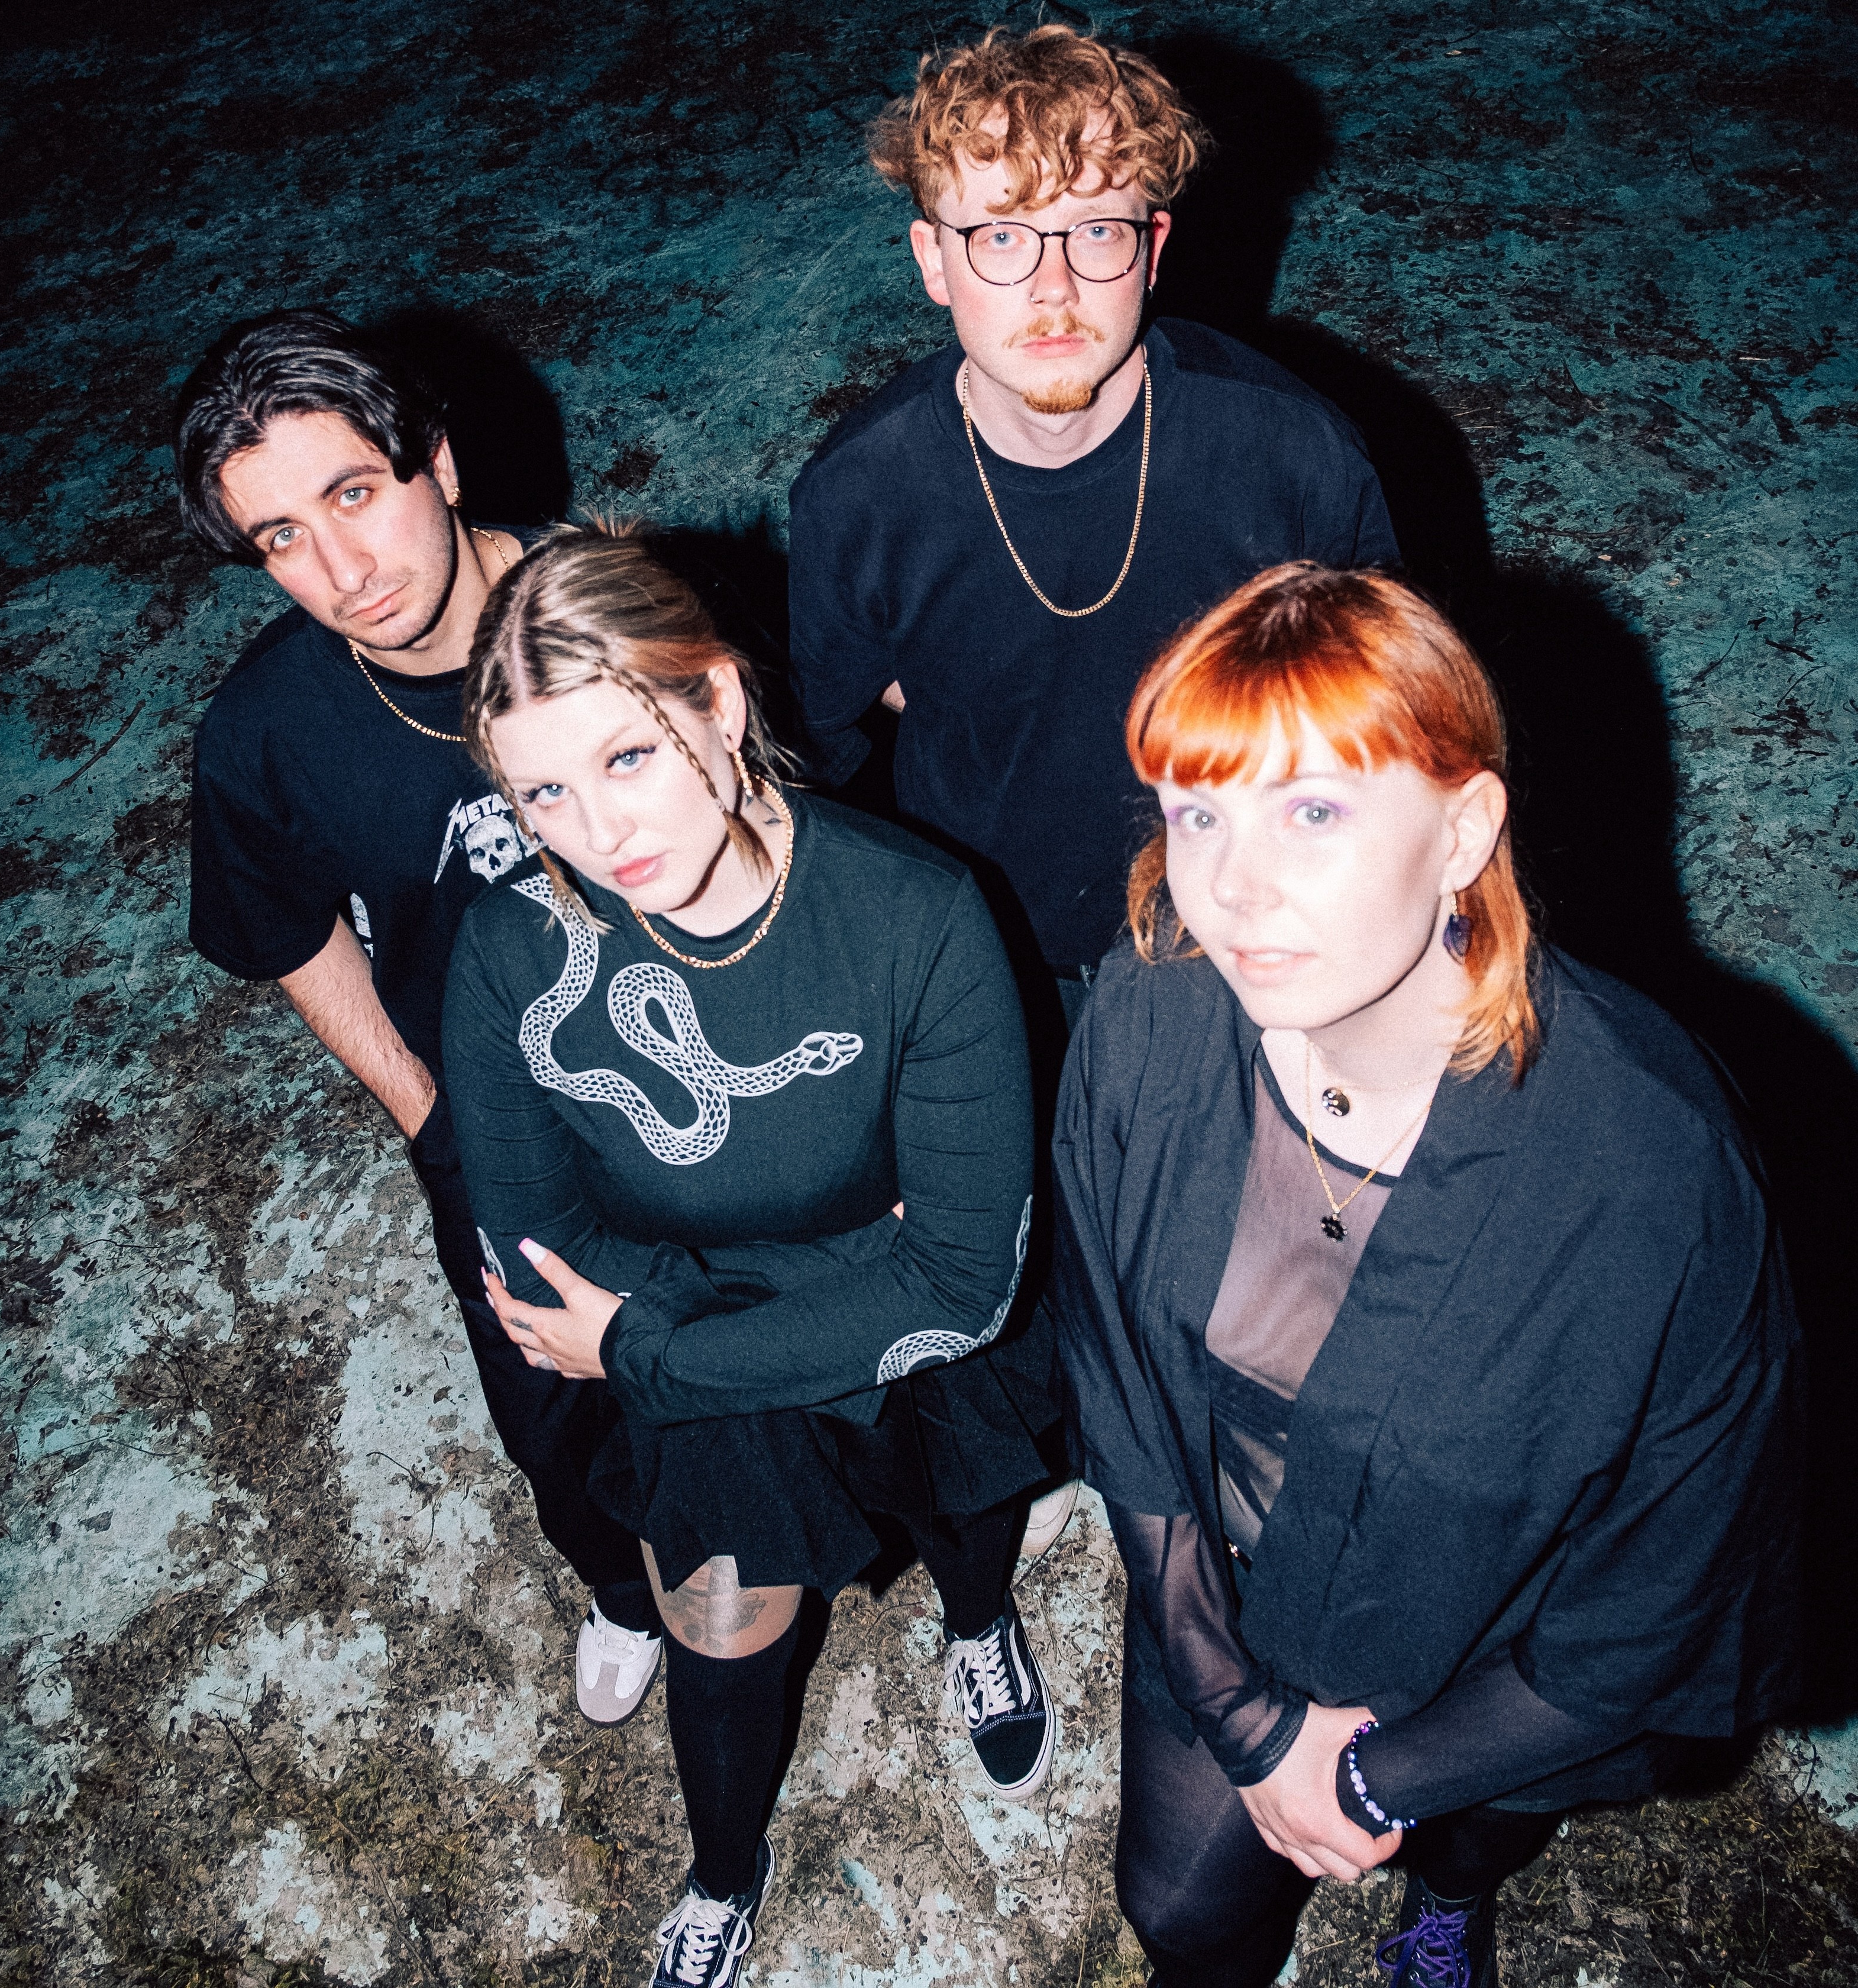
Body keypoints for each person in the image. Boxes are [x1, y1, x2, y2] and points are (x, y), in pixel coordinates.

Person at [1052, 563, 1800, 1987]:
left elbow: (1660, 1584)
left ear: (1463, 831)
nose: (1233, 887)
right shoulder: (1150, 1012)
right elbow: (1120, 1379)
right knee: (1181, 1911)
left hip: (1487, 1653)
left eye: (1313, 812)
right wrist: (1241, 1713)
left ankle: (1451, 1900)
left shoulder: (1653, 1171)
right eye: (1198, 813)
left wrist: (1372, 1782)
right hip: (1230, 1590)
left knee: (1474, 1836)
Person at [442, 524, 1059, 1988]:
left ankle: (980, 1623)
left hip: (727, 1324)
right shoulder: (513, 952)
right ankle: (727, 1867)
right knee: (720, 1616)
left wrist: (649, 1340)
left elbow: (962, 1285)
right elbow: (536, 1254)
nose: (599, 832)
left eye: (626, 757)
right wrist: (814, 1286)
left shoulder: (917, 916)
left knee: (962, 1491)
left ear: (718, 703)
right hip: (724, 1321)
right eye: (542, 792)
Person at [176, 310, 667, 1726]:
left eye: (353, 493)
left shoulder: (618, 613)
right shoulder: (266, 731)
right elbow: (281, 930)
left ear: (437, 464)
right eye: (280, 537)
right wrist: (425, 1107)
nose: (340, 571)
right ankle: (623, 1588)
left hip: (707, 1063)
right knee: (553, 1411)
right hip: (497, 1121)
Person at [789, 24, 1400, 1033]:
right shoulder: (859, 494)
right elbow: (829, 736)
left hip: (1239, 938)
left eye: (1097, 232)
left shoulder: (1292, 453)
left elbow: (1382, 727)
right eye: (1000, 236)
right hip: (992, 956)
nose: (1054, 287)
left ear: (1152, 249)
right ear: (934, 260)